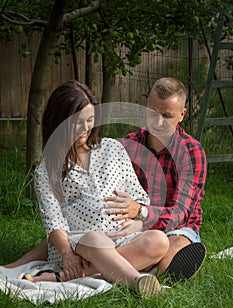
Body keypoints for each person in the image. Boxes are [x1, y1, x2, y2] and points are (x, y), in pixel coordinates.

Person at [5, 77, 207, 282]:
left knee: (164, 247)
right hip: (91, 236)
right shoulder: (128, 145)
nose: (158, 122)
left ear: (181, 115)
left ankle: (74, 274)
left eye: (167, 116)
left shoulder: (189, 152)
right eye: (153, 114)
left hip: (173, 225)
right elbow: (54, 219)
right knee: (82, 237)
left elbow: (179, 212)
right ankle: (133, 276)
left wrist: (140, 217)